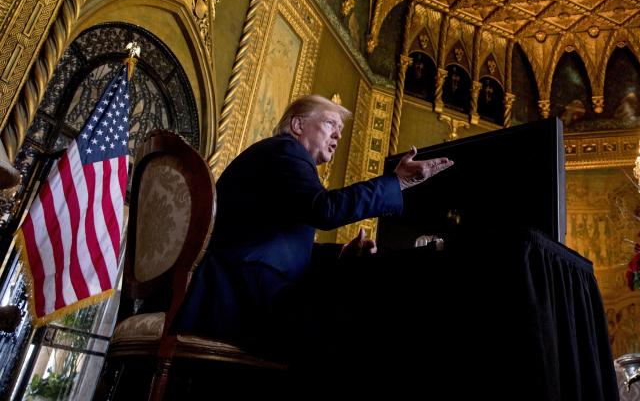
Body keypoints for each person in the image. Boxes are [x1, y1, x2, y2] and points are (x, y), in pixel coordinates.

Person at [175, 95, 453, 357]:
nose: (337, 135)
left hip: (245, 286)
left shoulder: (279, 158)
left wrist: (341, 252)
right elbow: (324, 209)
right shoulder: (287, 150)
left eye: (341, 131)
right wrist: (398, 183)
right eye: (331, 123)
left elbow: (284, 243)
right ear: (297, 125)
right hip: (237, 295)